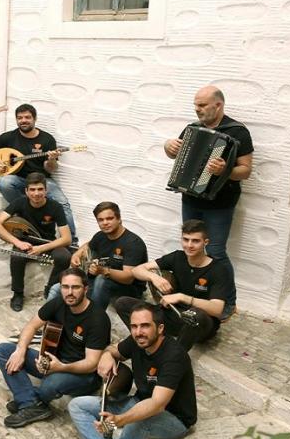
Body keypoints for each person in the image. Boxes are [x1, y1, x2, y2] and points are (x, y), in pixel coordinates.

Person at [163, 85, 254, 319]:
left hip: (220, 203)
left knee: (215, 252)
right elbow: (174, 154)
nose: (197, 109)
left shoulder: (238, 132)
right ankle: (196, 295)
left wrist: (225, 170)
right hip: (191, 198)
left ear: (218, 105)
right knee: (192, 248)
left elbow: (245, 170)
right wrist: (168, 147)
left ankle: (228, 303)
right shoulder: (192, 128)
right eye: (196, 105)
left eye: (202, 105)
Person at [68, 301, 196, 439]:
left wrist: (120, 420)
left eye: (145, 326)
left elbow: (157, 404)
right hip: (138, 402)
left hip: (173, 419)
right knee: (78, 405)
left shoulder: (174, 356)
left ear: (160, 328)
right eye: (134, 326)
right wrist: (107, 355)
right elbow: (113, 350)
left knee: (139, 421)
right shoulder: (137, 341)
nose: (138, 332)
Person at [0, 268, 110, 428]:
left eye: (75, 287)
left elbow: (91, 364)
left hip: (83, 374)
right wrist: (20, 350)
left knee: (50, 383)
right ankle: (31, 403)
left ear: (85, 289)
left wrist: (61, 367)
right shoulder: (59, 303)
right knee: (3, 351)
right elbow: (31, 326)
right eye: (65, 287)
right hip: (54, 361)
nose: (69, 292)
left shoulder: (98, 319)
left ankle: (26, 399)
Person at [114, 219, 231, 352]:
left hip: (200, 324)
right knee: (122, 303)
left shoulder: (218, 269)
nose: (189, 245)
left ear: (206, 242)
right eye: (185, 240)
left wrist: (182, 297)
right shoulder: (177, 257)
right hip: (173, 313)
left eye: (195, 241)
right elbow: (136, 270)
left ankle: (174, 355)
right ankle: (147, 342)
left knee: (194, 315)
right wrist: (154, 277)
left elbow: (217, 309)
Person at [0, 103, 78, 243]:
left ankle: (72, 241)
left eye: (27, 117)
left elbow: (51, 169)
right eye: (20, 118)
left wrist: (51, 159)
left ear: (35, 119)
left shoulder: (47, 139)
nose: (23, 120)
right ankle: (26, 213)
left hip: (42, 181)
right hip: (18, 179)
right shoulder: (9, 137)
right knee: (4, 182)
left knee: (63, 203)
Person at [0, 172, 72, 311]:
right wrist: (17, 242)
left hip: (47, 243)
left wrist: (41, 248)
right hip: (25, 243)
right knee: (17, 257)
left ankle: (51, 287)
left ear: (46, 190)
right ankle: (18, 294)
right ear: (26, 191)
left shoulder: (55, 207)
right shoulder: (19, 203)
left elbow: (67, 238)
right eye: (32, 190)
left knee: (64, 257)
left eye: (40, 189)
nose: (36, 193)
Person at [47, 202, 148, 310]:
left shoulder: (133, 243)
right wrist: (76, 254)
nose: (105, 223)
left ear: (119, 219)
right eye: (100, 220)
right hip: (98, 280)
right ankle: (45, 318)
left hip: (128, 289)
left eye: (109, 218)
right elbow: (88, 245)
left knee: (101, 280)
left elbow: (128, 278)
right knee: (57, 288)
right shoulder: (101, 236)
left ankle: (92, 315)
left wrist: (103, 271)